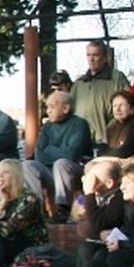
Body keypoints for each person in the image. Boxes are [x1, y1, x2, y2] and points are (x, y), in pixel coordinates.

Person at [23, 90, 92, 222]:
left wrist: (49, 149)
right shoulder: (47, 127)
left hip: (74, 171)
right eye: (47, 107)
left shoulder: (79, 124)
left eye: (52, 107)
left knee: (61, 163)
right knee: (28, 165)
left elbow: (71, 155)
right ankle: (35, 207)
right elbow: (39, 154)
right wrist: (56, 152)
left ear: (66, 108)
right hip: (50, 171)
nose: (48, 111)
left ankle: (62, 208)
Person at [70, 40, 130, 147]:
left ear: (105, 57)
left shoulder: (117, 79)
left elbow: (128, 106)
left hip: (108, 140)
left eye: (95, 55)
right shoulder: (79, 83)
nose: (91, 59)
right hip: (80, 141)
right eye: (88, 55)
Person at [102, 90, 134, 165]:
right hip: (116, 164)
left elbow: (124, 152)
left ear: (132, 109)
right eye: (115, 106)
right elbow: (101, 150)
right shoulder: (110, 127)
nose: (117, 109)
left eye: (121, 105)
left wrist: (107, 154)